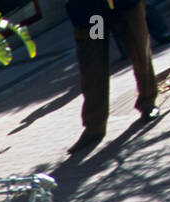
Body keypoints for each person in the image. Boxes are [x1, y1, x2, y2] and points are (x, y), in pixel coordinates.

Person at [65, 0, 161, 153]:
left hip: (125, 6)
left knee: (140, 53)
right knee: (93, 68)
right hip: (92, 12)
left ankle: (148, 103)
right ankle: (94, 127)